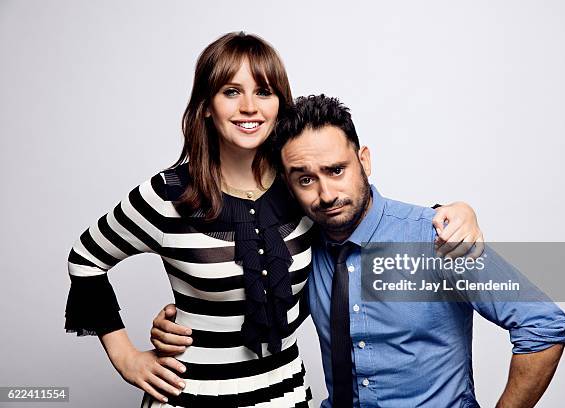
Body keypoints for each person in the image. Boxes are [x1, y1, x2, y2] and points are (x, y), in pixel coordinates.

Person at [64, 32, 483, 408]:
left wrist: (455, 212)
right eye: (231, 91)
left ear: (280, 103)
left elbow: (369, 216)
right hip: (191, 396)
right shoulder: (168, 195)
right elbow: (85, 259)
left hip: (285, 395)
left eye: (263, 91)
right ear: (207, 106)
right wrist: (126, 357)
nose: (249, 107)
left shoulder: (299, 186)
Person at [152, 95, 565, 408]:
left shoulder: (435, 239)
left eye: (337, 170)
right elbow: (250, 305)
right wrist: (178, 322)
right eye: (304, 179)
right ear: (286, 182)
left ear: (364, 161)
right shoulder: (297, 247)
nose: (326, 193)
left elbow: (544, 324)